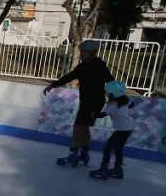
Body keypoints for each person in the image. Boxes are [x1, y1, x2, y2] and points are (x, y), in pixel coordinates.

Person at [43, 39, 114, 167]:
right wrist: (53, 85)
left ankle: (73, 155)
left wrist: (115, 97)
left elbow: (111, 81)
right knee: (85, 127)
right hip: (90, 101)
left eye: (83, 52)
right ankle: (84, 153)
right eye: (81, 52)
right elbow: (70, 76)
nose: (81, 54)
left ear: (91, 52)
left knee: (78, 127)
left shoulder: (99, 66)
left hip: (93, 101)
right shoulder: (83, 66)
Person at [89, 81, 133, 180]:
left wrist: (93, 114)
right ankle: (118, 169)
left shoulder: (113, 105)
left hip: (121, 130)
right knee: (118, 148)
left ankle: (103, 169)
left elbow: (102, 115)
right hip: (128, 129)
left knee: (107, 148)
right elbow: (132, 104)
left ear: (114, 93)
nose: (107, 94)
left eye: (108, 93)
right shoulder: (125, 100)